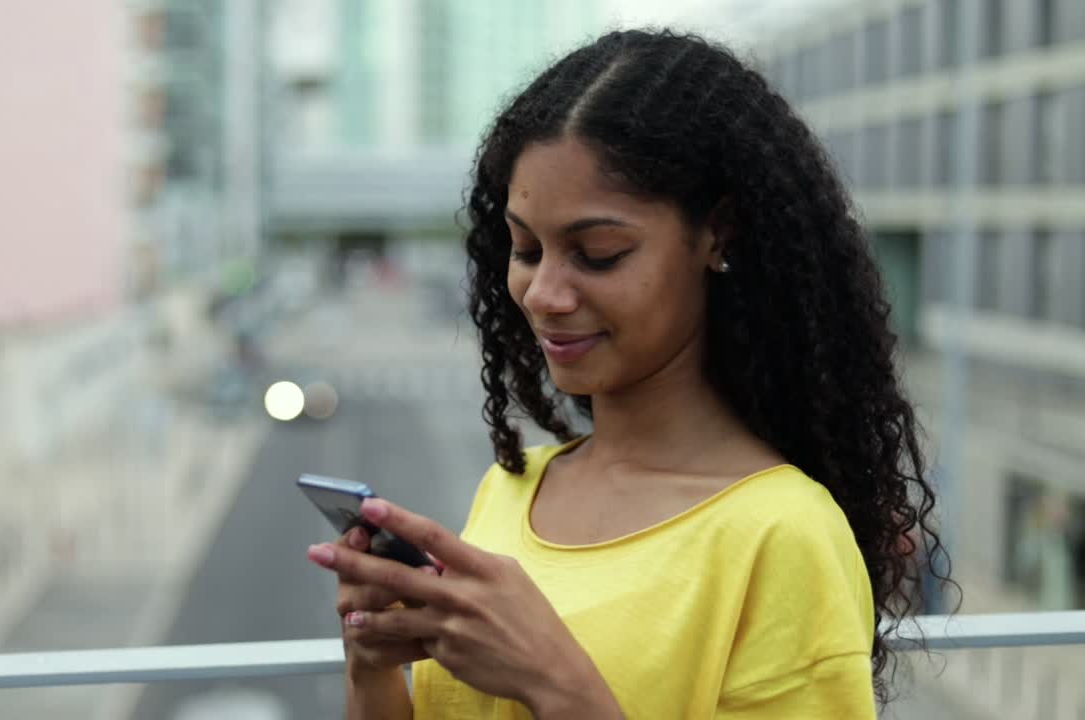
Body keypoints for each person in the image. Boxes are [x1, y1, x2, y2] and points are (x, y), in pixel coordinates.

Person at [306, 28, 955, 718]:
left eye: (598, 253)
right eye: (526, 248)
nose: (544, 292)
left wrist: (554, 680)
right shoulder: (511, 491)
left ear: (718, 235)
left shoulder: (782, 534)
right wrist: (371, 667)